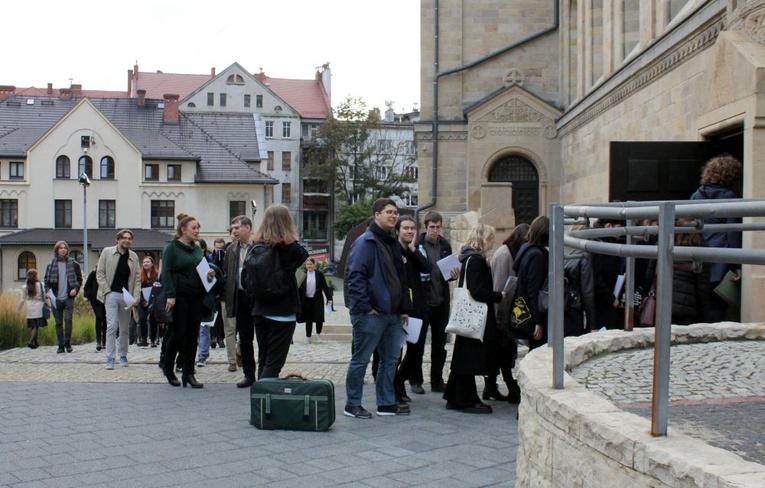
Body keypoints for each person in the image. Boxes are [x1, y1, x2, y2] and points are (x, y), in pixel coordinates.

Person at [344, 198, 412, 419]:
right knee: (361, 359)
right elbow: (355, 277)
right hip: (371, 314)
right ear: (376, 215)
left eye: (395, 212)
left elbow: (399, 278)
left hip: (392, 313)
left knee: (390, 359)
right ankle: (352, 404)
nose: (393, 216)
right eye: (388, 212)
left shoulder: (392, 242)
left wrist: (403, 307)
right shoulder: (366, 242)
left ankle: (386, 403)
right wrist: (366, 307)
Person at [443, 223, 505, 414]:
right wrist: (498, 295)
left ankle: (455, 396)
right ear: (484, 238)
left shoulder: (466, 257)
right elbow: (478, 291)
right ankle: (466, 398)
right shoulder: (476, 260)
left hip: (467, 314)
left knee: (463, 355)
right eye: (491, 238)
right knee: (469, 357)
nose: (493, 241)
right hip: (476, 316)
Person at [250, 204, 309, 379]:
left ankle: (260, 398)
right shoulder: (290, 248)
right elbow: (303, 255)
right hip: (282, 312)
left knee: (264, 359)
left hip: (260, 310)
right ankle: (264, 402)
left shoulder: (257, 246)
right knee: (274, 363)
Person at [160, 214, 217, 388]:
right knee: (178, 333)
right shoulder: (171, 247)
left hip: (196, 296)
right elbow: (166, 272)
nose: (197, 231)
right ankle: (168, 368)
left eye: (198, 228)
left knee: (193, 335)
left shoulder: (196, 249)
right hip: (180, 295)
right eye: (194, 228)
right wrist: (171, 295)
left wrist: (209, 273)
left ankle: (188, 373)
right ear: (183, 229)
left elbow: (201, 268)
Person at [410, 211, 460, 395]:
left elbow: (446, 273)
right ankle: (415, 380)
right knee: (418, 343)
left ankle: (437, 380)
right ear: (426, 227)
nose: (435, 230)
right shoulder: (417, 245)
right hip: (423, 302)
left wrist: (453, 275)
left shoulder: (445, 245)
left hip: (440, 301)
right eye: (432, 227)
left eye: (438, 227)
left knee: (439, 344)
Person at [689, 154, 743, 322]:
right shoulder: (730, 198)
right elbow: (733, 233)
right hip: (721, 261)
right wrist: (737, 265)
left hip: (698, 257)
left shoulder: (696, 196)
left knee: (700, 305)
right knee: (718, 307)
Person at [393, 215, 432, 410]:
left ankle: (399, 382)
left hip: (418, 308)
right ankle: (395, 388)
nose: (409, 231)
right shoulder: (394, 250)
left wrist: (414, 249)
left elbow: (428, 267)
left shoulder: (413, 251)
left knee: (416, 351)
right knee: (397, 352)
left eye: (412, 229)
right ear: (398, 231)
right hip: (403, 310)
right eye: (405, 228)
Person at [487, 223, 529, 404]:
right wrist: (500, 319)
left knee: (505, 352)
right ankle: (506, 386)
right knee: (502, 352)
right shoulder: (504, 255)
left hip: (510, 311)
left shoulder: (512, 253)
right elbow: (499, 287)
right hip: (502, 313)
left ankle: (492, 386)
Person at [645, 219, 711, 325]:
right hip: (687, 306)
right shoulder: (700, 245)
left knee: (660, 338)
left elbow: (650, 274)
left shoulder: (663, 242)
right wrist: (705, 316)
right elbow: (702, 287)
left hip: (661, 303)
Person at [96, 230, 141, 369]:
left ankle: (123, 355)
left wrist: (136, 296)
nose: (127, 241)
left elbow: (137, 278)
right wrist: (107, 290)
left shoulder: (133, 256)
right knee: (111, 326)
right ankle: (109, 357)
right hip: (111, 294)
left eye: (129, 239)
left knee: (124, 328)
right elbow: (100, 273)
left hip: (126, 296)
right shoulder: (107, 252)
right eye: (124, 238)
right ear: (118, 239)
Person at [223, 216, 257, 386]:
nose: (234, 231)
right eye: (232, 228)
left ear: (248, 228)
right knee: (244, 338)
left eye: (237, 227)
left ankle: (266, 373)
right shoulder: (231, 249)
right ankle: (249, 374)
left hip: (258, 297)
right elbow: (227, 274)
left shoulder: (259, 246)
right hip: (240, 297)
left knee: (263, 336)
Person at [512, 216, 550, 350]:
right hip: (534, 314)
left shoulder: (527, 250)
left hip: (526, 310)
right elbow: (534, 291)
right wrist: (538, 322)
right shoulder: (536, 256)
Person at [44, 241, 83, 354]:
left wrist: (75, 289)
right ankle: (60, 345)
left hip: (68, 297)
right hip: (55, 297)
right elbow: (46, 281)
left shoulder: (73, 264)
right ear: (57, 250)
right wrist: (47, 292)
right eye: (60, 248)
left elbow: (79, 279)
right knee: (58, 322)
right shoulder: (51, 265)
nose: (63, 250)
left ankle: (67, 343)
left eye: (65, 248)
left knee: (68, 319)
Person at [590, 218, 624, 330]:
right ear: (609, 226)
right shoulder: (600, 245)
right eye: (619, 228)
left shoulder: (604, 243)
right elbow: (596, 277)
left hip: (608, 299)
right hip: (604, 303)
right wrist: (611, 298)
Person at [563, 225, 597, 337]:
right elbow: (587, 291)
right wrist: (593, 325)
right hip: (573, 307)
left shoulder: (560, 249)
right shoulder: (583, 255)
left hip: (556, 305)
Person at [298, 257, 333, 344]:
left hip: (317, 299)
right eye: (307, 264)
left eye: (310, 264)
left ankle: (318, 335)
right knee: (308, 319)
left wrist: (329, 298)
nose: (309, 266)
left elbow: (325, 287)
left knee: (319, 318)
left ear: (314, 265)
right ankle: (308, 337)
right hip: (306, 300)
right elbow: (298, 288)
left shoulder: (319, 274)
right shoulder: (303, 274)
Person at [16, 269, 51, 349]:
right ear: (36, 276)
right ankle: (30, 342)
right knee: (36, 326)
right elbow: (45, 297)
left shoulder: (25, 287)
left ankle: (35, 342)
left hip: (30, 307)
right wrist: (49, 306)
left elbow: (22, 299)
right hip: (38, 307)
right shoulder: (40, 285)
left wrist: (18, 310)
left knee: (33, 325)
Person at [83, 265, 107, 351]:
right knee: (99, 317)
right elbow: (87, 286)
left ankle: (105, 340)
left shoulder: (109, 273)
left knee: (105, 319)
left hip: (106, 298)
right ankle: (98, 340)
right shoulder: (93, 274)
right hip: (95, 299)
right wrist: (89, 295)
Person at [209, 237, 227, 349]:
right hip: (212, 290)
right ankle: (213, 337)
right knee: (214, 315)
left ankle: (221, 338)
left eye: (221, 247)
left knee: (222, 316)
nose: (218, 249)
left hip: (223, 290)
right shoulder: (211, 258)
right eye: (217, 247)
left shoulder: (225, 257)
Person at [138, 256, 160, 347]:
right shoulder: (140, 276)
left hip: (154, 300)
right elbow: (138, 289)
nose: (145, 264)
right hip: (142, 300)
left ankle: (153, 339)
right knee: (142, 319)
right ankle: (144, 339)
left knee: (153, 319)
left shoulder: (157, 275)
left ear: (152, 264)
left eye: (147, 262)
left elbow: (159, 288)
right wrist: (143, 301)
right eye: (144, 262)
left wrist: (151, 301)